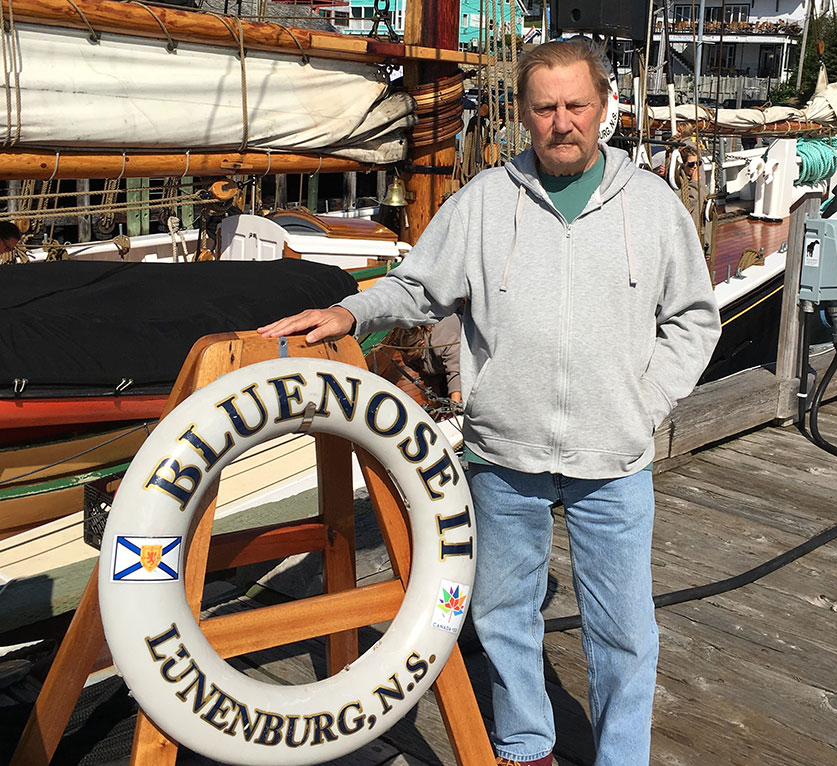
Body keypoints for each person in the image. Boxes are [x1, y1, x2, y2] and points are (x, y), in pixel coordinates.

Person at [259, 38, 721, 766]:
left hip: (615, 454)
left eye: (575, 105)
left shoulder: (653, 206)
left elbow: (694, 318)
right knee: (503, 613)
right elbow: (416, 285)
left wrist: (647, 400)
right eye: (545, 107)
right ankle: (525, 743)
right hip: (504, 454)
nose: (561, 121)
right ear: (525, 115)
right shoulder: (483, 202)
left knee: (626, 629)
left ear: (603, 108)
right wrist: (352, 312)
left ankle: (621, 756)